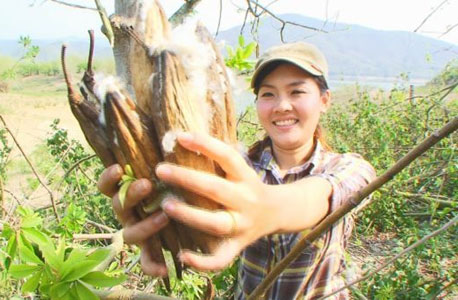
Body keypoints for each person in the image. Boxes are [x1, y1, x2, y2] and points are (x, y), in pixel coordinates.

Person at [97, 42, 376, 299]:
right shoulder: (238, 169)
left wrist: (266, 207)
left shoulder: (348, 166)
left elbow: (332, 191)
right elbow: (199, 232)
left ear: (324, 100)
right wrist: (158, 227)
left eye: (297, 91)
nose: (282, 106)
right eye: (268, 94)